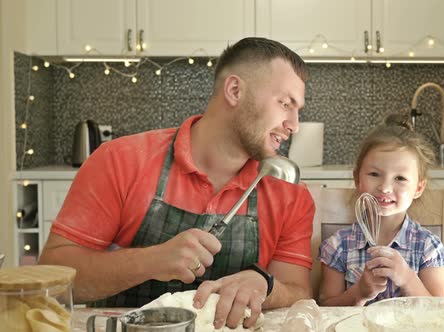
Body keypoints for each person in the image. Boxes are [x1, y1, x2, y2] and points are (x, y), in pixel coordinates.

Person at [38, 37, 314, 329]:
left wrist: (265, 285)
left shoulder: (289, 192)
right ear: (234, 90)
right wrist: (150, 261)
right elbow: (52, 281)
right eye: (285, 103)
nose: (294, 125)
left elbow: (297, 291)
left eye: (297, 109)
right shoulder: (120, 161)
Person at [317, 114, 444, 306]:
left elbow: (440, 312)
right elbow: (326, 310)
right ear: (357, 179)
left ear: (419, 188)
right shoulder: (338, 247)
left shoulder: (429, 248)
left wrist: (408, 279)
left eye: (400, 178)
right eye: (374, 174)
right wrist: (359, 293)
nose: (385, 187)